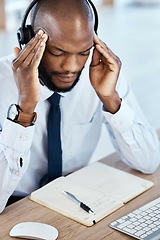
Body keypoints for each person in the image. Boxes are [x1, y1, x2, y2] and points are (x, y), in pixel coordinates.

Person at [0, 0, 159, 213]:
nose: (72, 67)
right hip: (15, 207)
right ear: (28, 41)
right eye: (58, 53)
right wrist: (25, 109)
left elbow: (148, 162)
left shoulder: (103, 74)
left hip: (76, 200)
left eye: (83, 52)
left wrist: (111, 99)